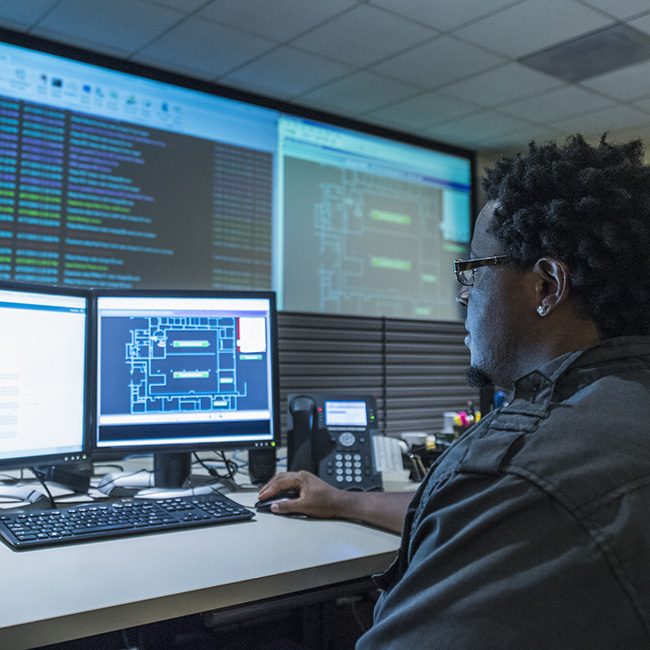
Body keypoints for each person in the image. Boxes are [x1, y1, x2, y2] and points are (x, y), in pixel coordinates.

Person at [259, 134, 650, 648]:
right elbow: (472, 514)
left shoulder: (528, 472)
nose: (463, 294)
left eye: (472, 269)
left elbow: (514, 497)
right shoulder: (617, 414)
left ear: (547, 286)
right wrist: (342, 501)